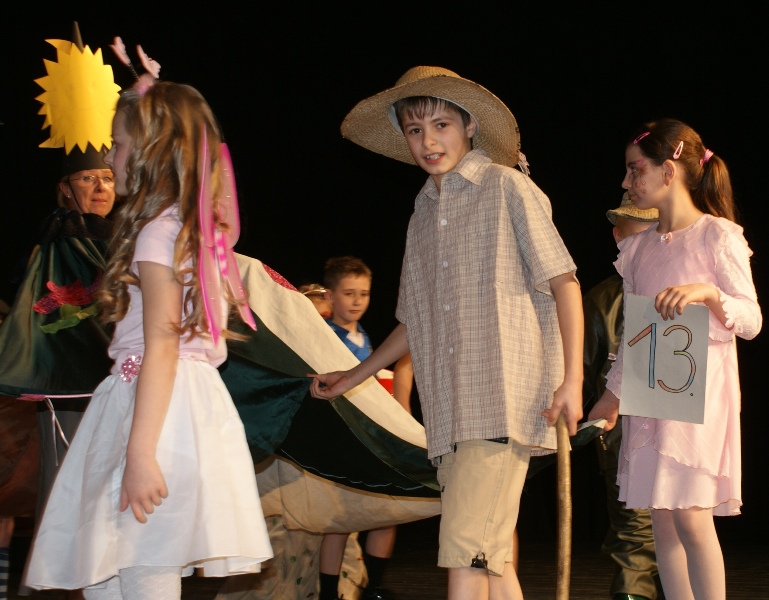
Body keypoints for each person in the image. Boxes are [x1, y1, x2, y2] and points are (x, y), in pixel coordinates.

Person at [310, 66, 583, 600]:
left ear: (470, 125)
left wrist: (571, 381)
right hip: (450, 411)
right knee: (493, 561)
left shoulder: (507, 187)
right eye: (415, 130)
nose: (428, 141)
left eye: (441, 125)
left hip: (502, 401)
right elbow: (415, 320)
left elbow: (564, 282)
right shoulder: (422, 212)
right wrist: (354, 377)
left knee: (465, 555)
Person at [22, 80, 273, 598]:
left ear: (151, 150)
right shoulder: (193, 229)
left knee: (142, 556)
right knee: (111, 564)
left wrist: (140, 453)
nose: (109, 157)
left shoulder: (160, 233)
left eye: (117, 144)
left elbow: (161, 343)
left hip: (155, 404)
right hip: (177, 401)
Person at [589, 118, 762, 600]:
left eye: (635, 169)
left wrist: (707, 292)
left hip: (698, 398)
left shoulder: (717, 236)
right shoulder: (637, 249)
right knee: (662, 521)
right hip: (651, 398)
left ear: (669, 171)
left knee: (690, 516)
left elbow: (751, 319)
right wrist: (610, 398)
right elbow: (635, 335)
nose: (627, 180)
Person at [0, 29, 120, 600]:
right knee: (67, 485)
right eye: (88, 178)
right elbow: (41, 308)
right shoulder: (56, 240)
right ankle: (54, 588)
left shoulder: (125, 235)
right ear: (65, 188)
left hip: (121, 382)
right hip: (70, 389)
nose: (100, 187)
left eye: (107, 177)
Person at [583, 193, 662, 600]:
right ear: (617, 236)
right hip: (622, 438)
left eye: (655, 233)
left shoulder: (682, 294)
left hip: (681, 436)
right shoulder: (601, 300)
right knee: (635, 531)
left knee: (679, 531)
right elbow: (581, 371)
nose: (646, 244)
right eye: (636, 234)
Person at [318, 256, 400, 600]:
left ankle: (373, 586)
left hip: (371, 436)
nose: (356, 301)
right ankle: (328, 593)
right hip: (342, 438)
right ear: (330, 295)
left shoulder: (363, 334)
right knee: (340, 522)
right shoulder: (325, 335)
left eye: (363, 294)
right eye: (348, 293)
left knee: (387, 511)